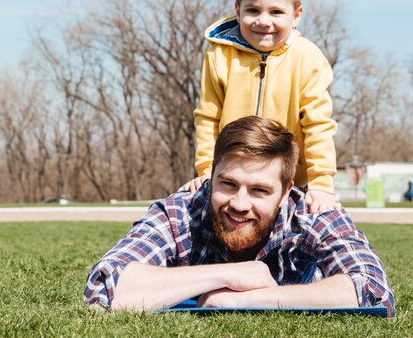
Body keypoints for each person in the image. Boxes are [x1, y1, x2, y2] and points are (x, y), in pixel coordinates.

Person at [83, 116, 395, 316]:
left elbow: (372, 290)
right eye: (228, 184)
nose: (239, 203)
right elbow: (105, 287)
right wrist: (228, 275)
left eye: (259, 190)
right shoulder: (179, 212)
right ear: (211, 175)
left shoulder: (312, 214)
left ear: (286, 192)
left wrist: (249, 299)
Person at [192, 0, 338, 212]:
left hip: (290, 179)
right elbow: (208, 118)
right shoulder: (219, 56)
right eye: (253, 10)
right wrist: (206, 169)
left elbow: (318, 125)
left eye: (276, 11)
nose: (263, 21)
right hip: (232, 177)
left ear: (296, 15)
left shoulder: (307, 58)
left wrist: (321, 184)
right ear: (238, 11)